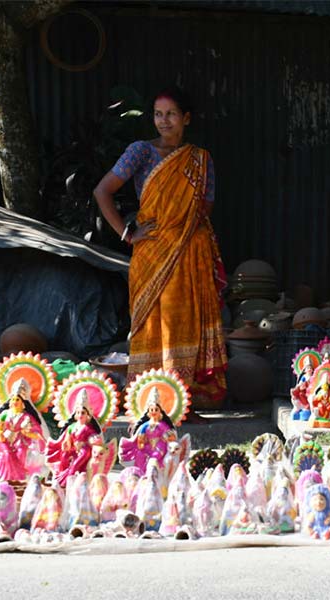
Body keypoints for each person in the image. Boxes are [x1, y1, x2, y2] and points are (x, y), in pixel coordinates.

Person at [94, 86, 227, 404]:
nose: (163, 121)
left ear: (186, 118)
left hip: (190, 253)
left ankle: (186, 394)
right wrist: (127, 234)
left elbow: (202, 210)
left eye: (170, 114)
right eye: (157, 114)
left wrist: (185, 237)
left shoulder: (201, 160)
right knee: (153, 326)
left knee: (188, 322)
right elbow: (102, 191)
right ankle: (151, 395)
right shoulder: (140, 151)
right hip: (152, 252)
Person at [45, 392, 104, 487]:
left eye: (83, 413)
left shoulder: (88, 428)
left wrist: (90, 441)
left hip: (84, 450)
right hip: (72, 448)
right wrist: (66, 443)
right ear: (75, 414)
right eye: (78, 413)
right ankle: (62, 475)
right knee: (64, 456)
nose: (80, 415)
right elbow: (67, 438)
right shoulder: (72, 426)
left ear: (87, 415)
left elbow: (93, 438)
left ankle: (70, 478)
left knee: (78, 461)